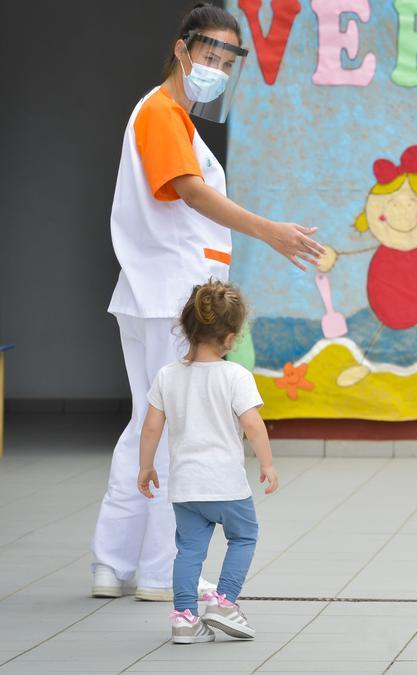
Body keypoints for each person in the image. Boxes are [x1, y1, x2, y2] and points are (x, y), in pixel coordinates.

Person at [91, 4, 323, 601]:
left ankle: (111, 562)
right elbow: (191, 194)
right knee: (177, 431)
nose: (215, 68)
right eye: (208, 55)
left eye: (226, 61)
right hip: (169, 298)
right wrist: (269, 230)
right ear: (181, 48)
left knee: (146, 423)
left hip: (152, 294)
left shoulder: (171, 118)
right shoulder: (163, 114)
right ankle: (158, 573)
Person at [135, 281, 278, 644]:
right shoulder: (235, 376)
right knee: (244, 536)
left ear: (187, 329)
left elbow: (152, 426)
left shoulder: (168, 375)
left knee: (188, 551)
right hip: (226, 483)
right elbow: (252, 423)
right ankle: (225, 603)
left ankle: (184, 619)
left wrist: (146, 466)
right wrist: (267, 463)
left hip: (185, 486)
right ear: (230, 338)